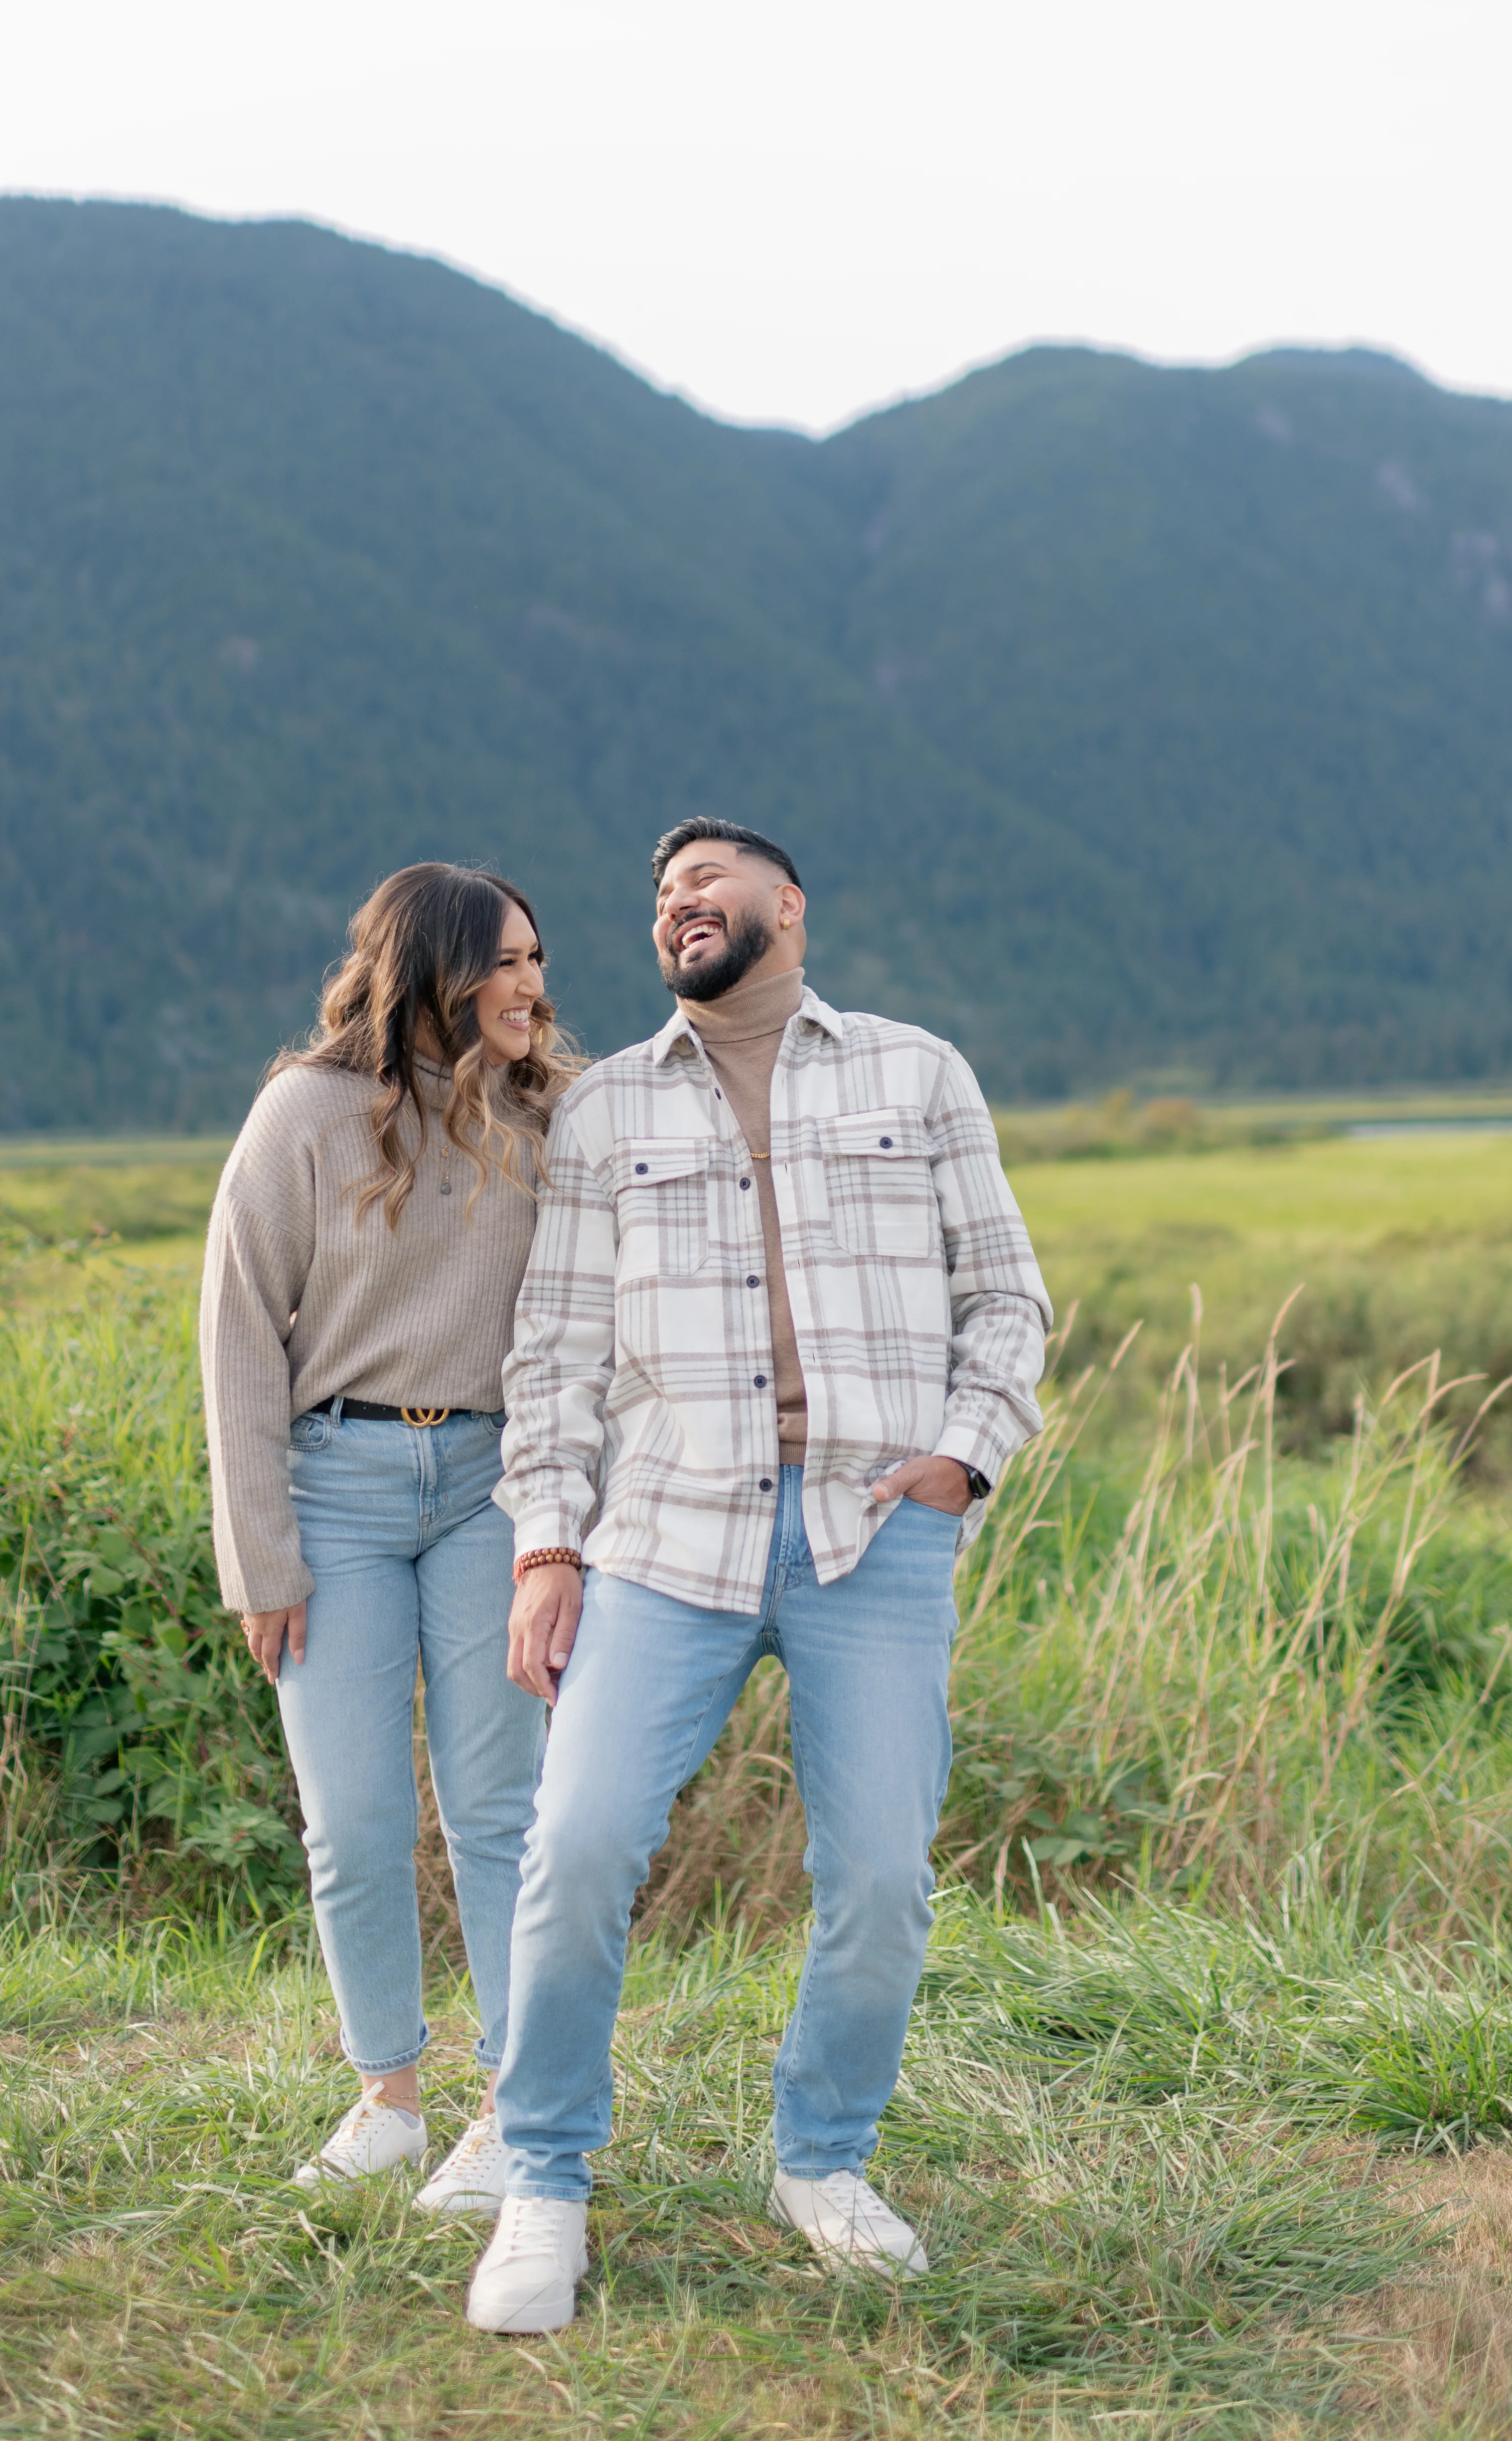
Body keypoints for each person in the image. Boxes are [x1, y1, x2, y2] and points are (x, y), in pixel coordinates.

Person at [464, 817, 1051, 2333]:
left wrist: (960, 1462)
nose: (678, 906)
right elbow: (554, 1358)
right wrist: (545, 1546)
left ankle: (824, 2163)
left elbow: (1007, 1296)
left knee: (877, 1880)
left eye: (705, 881)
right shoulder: (600, 1112)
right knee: (578, 1846)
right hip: (663, 1537)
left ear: (787, 903)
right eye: (659, 895)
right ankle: (544, 2181)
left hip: (875, 1536)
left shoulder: (918, 1073)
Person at [201, 862, 576, 2213]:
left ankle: (512, 2113)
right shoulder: (302, 1113)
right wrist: (262, 1561)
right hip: (337, 1487)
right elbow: (239, 1339)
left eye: (540, 958)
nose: (533, 984)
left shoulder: (550, 1117)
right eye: (507, 960)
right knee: (351, 1822)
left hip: (494, 1488)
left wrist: (568, 1534)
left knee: (499, 1815)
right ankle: (388, 2101)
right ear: (433, 969)